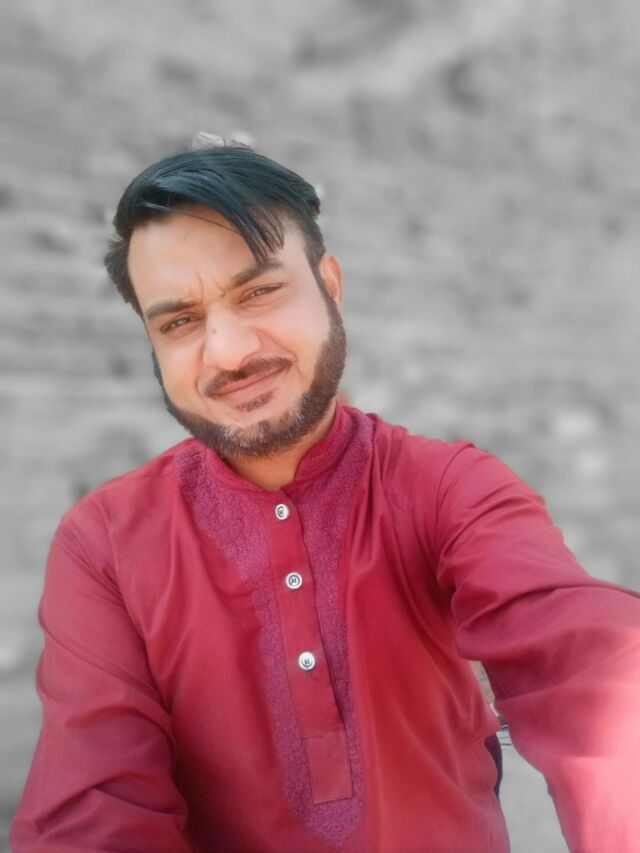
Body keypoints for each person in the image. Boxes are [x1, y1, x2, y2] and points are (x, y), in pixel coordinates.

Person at [11, 137, 640, 853]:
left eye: (259, 291)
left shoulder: (449, 489)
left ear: (330, 286)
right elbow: (95, 812)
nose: (229, 351)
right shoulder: (106, 542)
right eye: (179, 321)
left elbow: (592, 670)